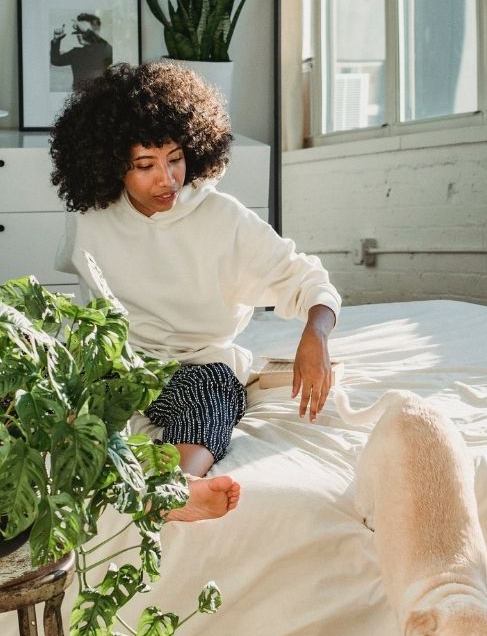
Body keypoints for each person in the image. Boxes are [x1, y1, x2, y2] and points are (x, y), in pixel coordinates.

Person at [50, 61, 341, 523]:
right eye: (145, 165)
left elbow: (311, 281)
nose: (166, 179)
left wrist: (316, 335)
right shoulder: (91, 216)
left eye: (176, 158)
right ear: (110, 165)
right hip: (114, 367)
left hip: (195, 365)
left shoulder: (223, 218)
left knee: (213, 396)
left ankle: (177, 489)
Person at [50, 13, 113, 86]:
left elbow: (108, 50)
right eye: (78, 32)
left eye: (83, 32)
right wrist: (56, 41)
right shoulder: (76, 52)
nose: (79, 35)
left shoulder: (104, 50)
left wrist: (87, 31)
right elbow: (55, 60)